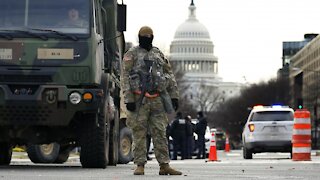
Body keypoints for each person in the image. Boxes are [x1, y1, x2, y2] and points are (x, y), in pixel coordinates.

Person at [122, 26, 182, 175]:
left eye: (149, 36)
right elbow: (125, 77)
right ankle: (140, 164)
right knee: (139, 133)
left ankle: (164, 165)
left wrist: (174, 96)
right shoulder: (132, 54)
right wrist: (128, 98)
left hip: (157, 99)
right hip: (138, 99)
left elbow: (169, 74)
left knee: (160, 132)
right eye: (144, 36)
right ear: (140, 37)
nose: (147, 39)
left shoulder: (158, 54)